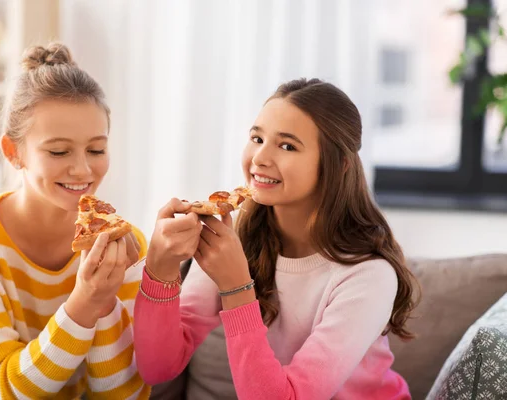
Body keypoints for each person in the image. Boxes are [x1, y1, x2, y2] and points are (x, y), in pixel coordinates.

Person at [134, 78, 419, 399]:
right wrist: (160, 270)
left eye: (287, 146)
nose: (259, 158)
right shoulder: (235, 236)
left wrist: (236, 288)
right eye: (257, 138)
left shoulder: (368, 276)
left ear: (338, 165)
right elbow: (157, 368)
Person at [0, 43, 150, 399]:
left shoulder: (124, 242)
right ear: (14, 152)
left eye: (97, 149)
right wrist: (85, 300)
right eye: (58, 151)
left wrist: (105, 304)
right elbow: (2, 389)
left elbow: (121, 394)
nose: (83, 170)